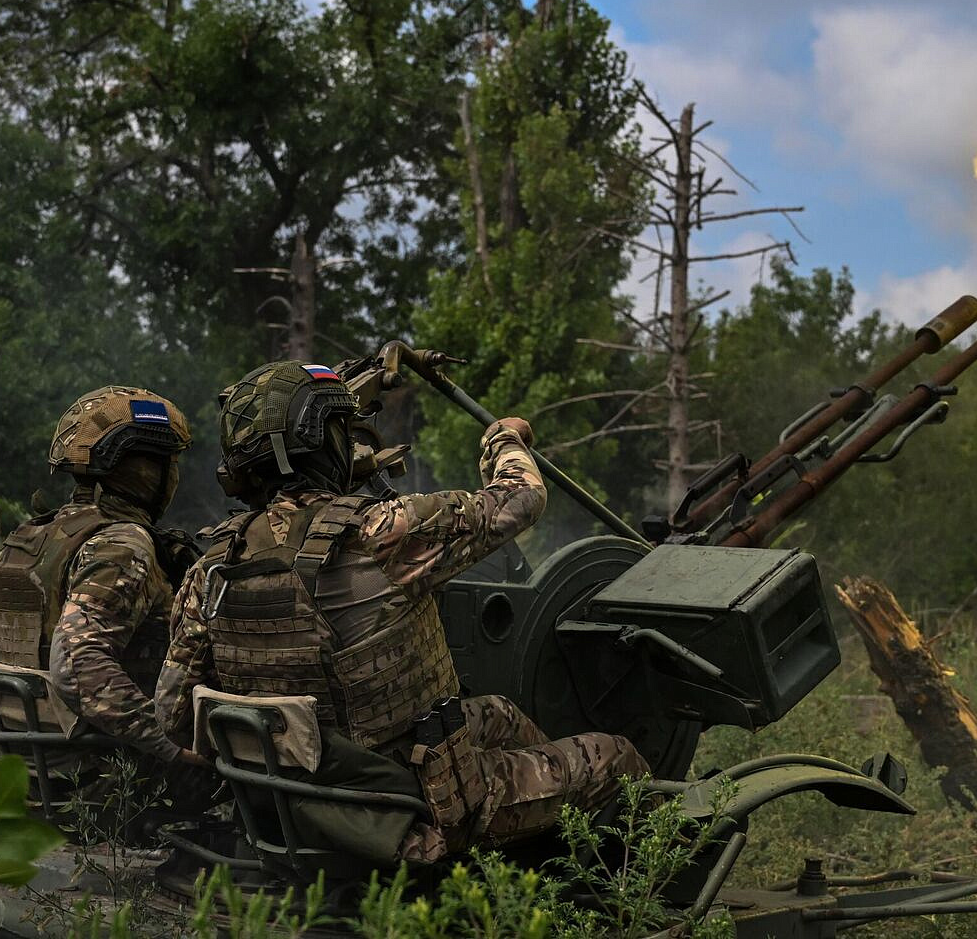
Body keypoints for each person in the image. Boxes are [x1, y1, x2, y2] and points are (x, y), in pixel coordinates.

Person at [155, 360, 648, 865]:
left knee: (498, 714)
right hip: (415, 805)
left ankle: (531, 845)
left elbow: (172, 714)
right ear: (324, 440)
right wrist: (504, 438)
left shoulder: (211, 570)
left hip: (294, 804)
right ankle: (586, 888)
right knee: (617, 756)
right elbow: (522, 498)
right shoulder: (383, 533)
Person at [0, 385, 207, 770]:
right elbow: (77, 664)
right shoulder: (121, 542)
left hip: (29, 768)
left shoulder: (34, 536)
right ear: (147, 471)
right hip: (106, 769)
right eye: (169, 464)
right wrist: (169, 744)